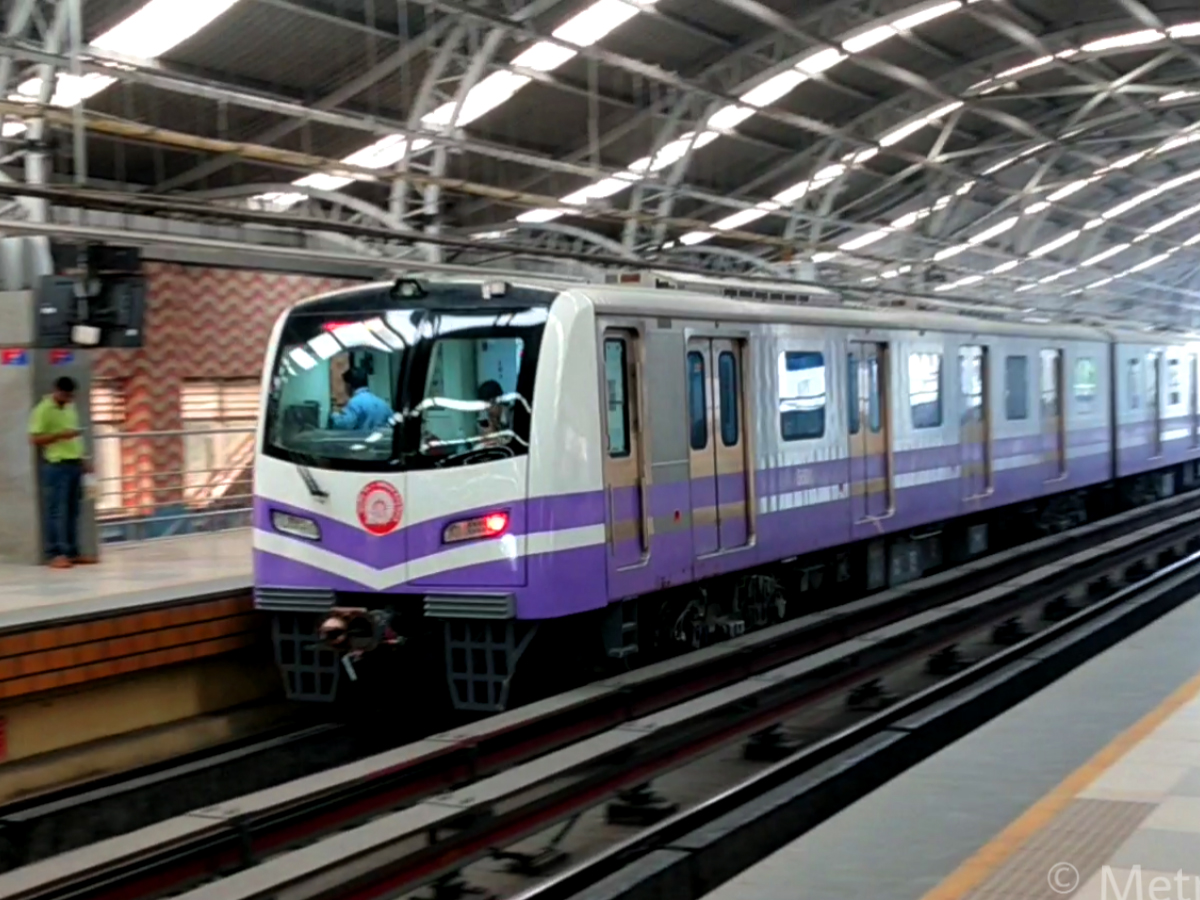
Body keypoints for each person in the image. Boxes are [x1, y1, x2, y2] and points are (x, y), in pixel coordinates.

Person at [28, 376, 95, 569]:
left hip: (74, 464)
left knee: (73, 511)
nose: (68, 399)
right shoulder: (43, 410)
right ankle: (55, 554)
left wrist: (83, 460)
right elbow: (34, 438)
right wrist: (59, 436)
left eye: (71, 395)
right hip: (56, 465)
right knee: (56, 511)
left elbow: (75, 437)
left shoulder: (69, 407)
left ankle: (73, 552)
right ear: (56, 390)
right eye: (65, 395)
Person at [331, 366, 393, 431]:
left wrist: (335, 415)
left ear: (348, 385)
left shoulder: (354, 403)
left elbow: (344, 425)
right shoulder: (382, 403)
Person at [475, 380, 511, 447]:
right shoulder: (489, 417)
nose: (487, 410)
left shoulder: (512, 416)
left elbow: (512, 444)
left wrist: (494, 435)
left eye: (490, 405)